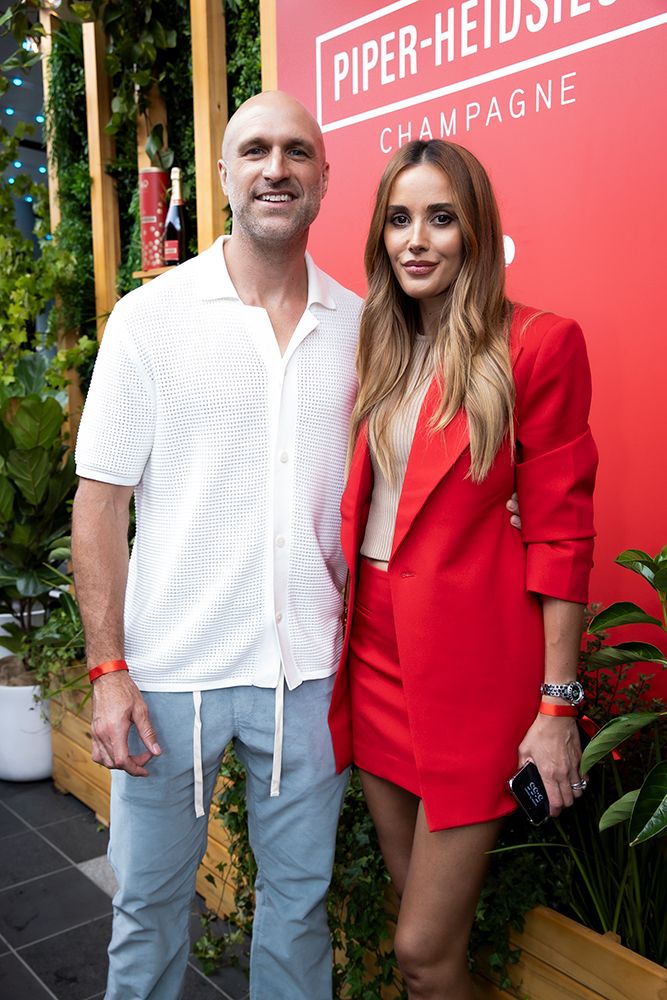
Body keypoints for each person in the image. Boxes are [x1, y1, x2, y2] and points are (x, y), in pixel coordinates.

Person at [72, 91, 362, 1000]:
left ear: (322, 178)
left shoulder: (361, 326)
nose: (276, 168)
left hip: (307, 674)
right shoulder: (152, 320)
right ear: (225, 176)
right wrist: (107, 670)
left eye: (297, 153)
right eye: (256, 151)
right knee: (149, 908)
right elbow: (99, 503)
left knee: (297, 908)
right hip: (169, 678)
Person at [327, 139, 598, 1000]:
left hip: (473, 678)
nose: (417, 239)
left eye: (441, 218)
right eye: (399, 219)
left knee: (420, 953)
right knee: (424, 943)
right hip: (373, 658)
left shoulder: (537, 346)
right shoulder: (378, 348)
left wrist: (557, 705)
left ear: (476, 232)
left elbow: (561, 536)